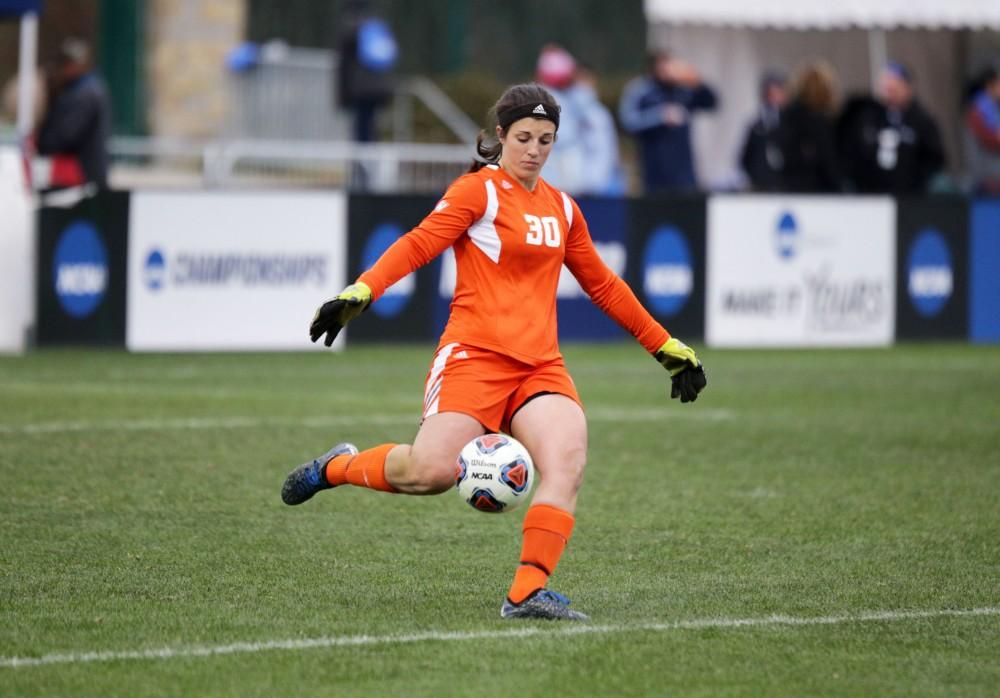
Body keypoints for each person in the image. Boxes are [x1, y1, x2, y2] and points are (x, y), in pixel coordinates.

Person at [281, 83, 707, 622]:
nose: (534, 149)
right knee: (428, 472)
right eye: (524, 137)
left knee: (568, 461)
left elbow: (603, 285)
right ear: (500, 136)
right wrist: (360, 291)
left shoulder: (563, 209)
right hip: (473, 358)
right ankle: (335, 467)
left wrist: (665, 346)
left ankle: (526, 593)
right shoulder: (476, 192)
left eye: (546, 140)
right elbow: (419, 243)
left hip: (539, 368)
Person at [618, 50, 718, 194]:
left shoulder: (684, 89)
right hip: (653, 174)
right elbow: (628, 122)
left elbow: (712, 103)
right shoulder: (640, 90)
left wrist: (696, 81)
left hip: (685, 175)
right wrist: (660, 117)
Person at [837, 62, 945, 194]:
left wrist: (916, 181)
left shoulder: (921, 120)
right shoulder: (867, 116)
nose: (890, 92)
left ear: (907, 88)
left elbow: (934, 157)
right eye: (887, 87)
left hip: (908, 196)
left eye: (895, 87)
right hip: (869, 194)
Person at [35, 38, 111, 189]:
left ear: (77, 65)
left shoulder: (84, 93)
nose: (61, 70)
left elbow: (65, 135)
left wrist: (42, 142)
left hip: (83, 175)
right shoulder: (85, 88)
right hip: (86, 172)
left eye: (65, 65)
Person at [775, 60, 842, 193]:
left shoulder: (786, 118)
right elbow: (828, 162)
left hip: (792, 190)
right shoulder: (823, 123)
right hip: (819, 191)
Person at [739, 70, 787, 192]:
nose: (774, 99)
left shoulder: (790, 124)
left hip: (785, 185)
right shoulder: (757, 126)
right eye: (770, 94)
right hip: (761, 185)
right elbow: (745, 158)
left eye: (778, 93)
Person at [963, 65, 1000, 196]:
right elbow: (992, 139)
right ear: (990, 85)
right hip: (987, 179)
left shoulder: (994, 108)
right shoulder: (980, 110)